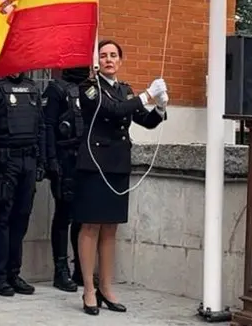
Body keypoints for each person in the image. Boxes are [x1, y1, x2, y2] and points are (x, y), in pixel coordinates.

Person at [74, 40, 167, 315]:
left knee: (111, 228)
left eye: (113, 55)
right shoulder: (89, 88)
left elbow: (144, 120)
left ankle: (106, 287)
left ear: (121, 60)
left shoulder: (124, 89)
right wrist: (147, 95)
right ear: (97, 62)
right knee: (90, 226)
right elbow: (112, 111)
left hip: (117, 164)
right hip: (94, 163)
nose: (108, 60)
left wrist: (160, 107)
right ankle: (89, 290)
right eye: (103, 56)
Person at [0, 72, 47, 296]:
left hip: (29, 160)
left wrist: (42, 161)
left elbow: (42, 127)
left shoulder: (32, 88)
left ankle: (13, 274)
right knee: (1, 219)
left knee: (21, 218)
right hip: (5, 162)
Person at [42, 66, 90, 292]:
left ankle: (81, 268)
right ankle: (60, 270)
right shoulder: (56, 89)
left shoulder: (90, 89)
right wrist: (51, 160)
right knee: (64, 215)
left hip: (85, 160)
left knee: (82, 217)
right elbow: (48, 126)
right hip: (64, 160)